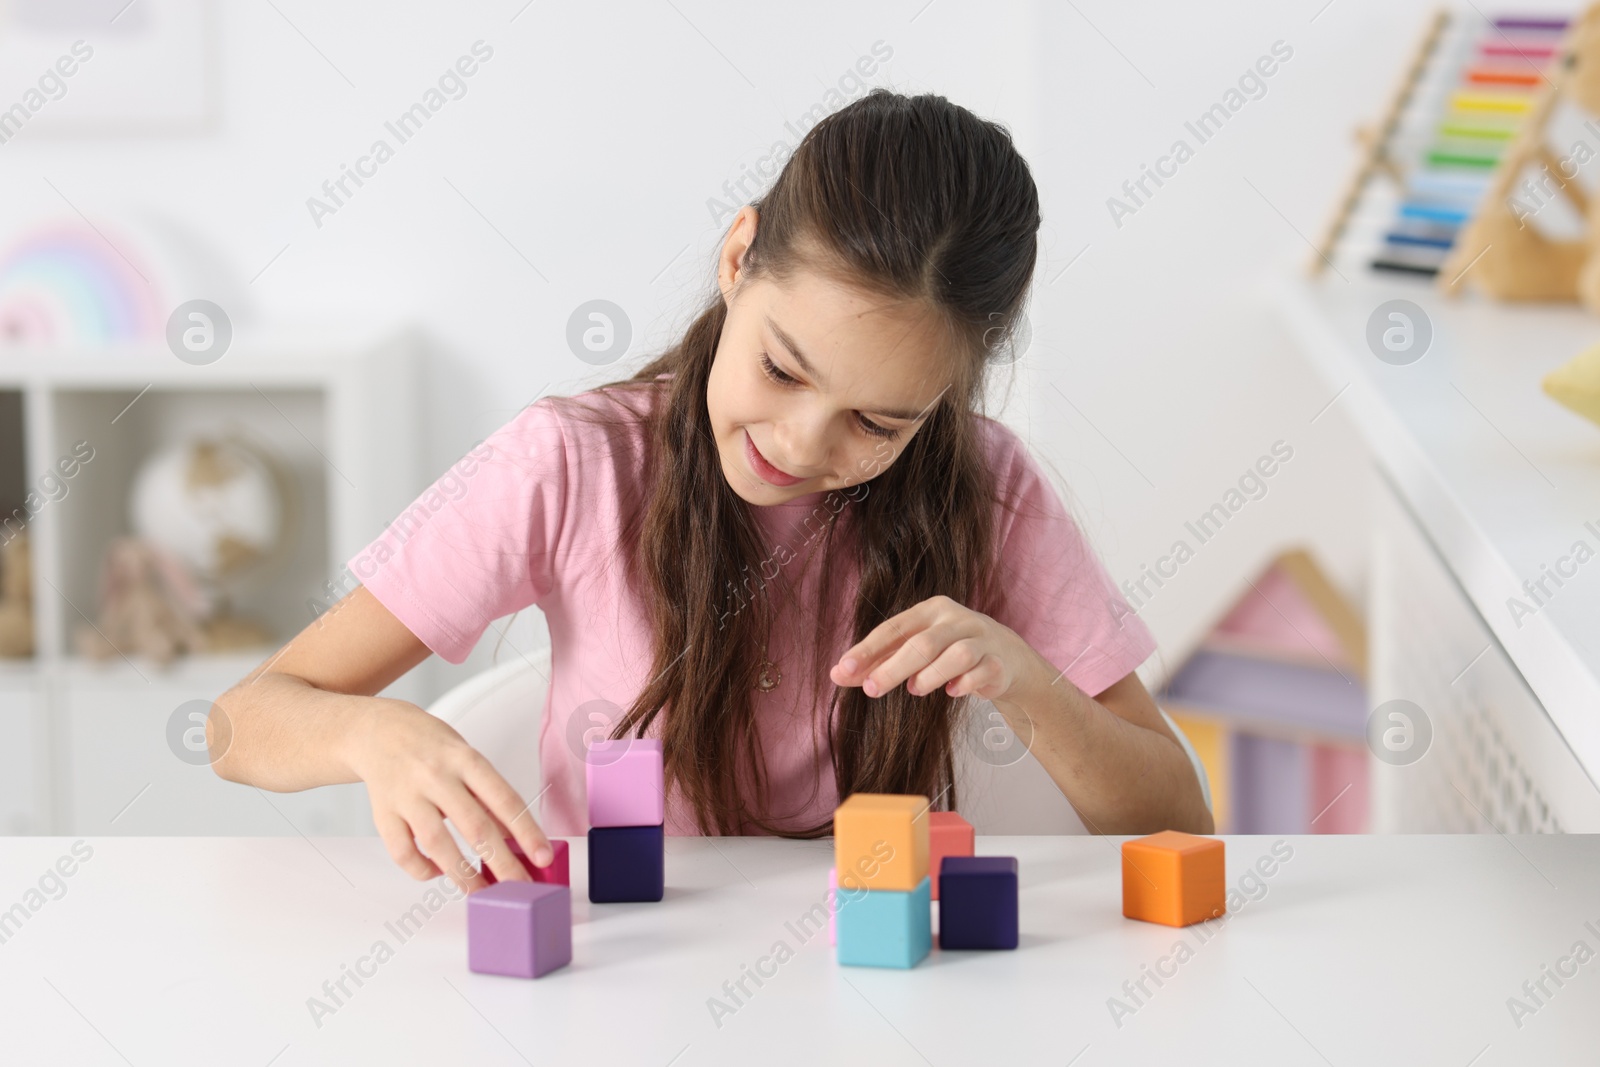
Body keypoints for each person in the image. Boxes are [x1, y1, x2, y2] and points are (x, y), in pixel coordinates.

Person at [209, 89, 1212, 893]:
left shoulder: (988, 485)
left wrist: (1023, 674)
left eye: (878, 423)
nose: (797, 443)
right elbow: (240, 722)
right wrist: (372, 730)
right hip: (624, 970)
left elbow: (1177, 817)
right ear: (738, 258)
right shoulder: (570, 463)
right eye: (782, 368)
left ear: (943, 400)